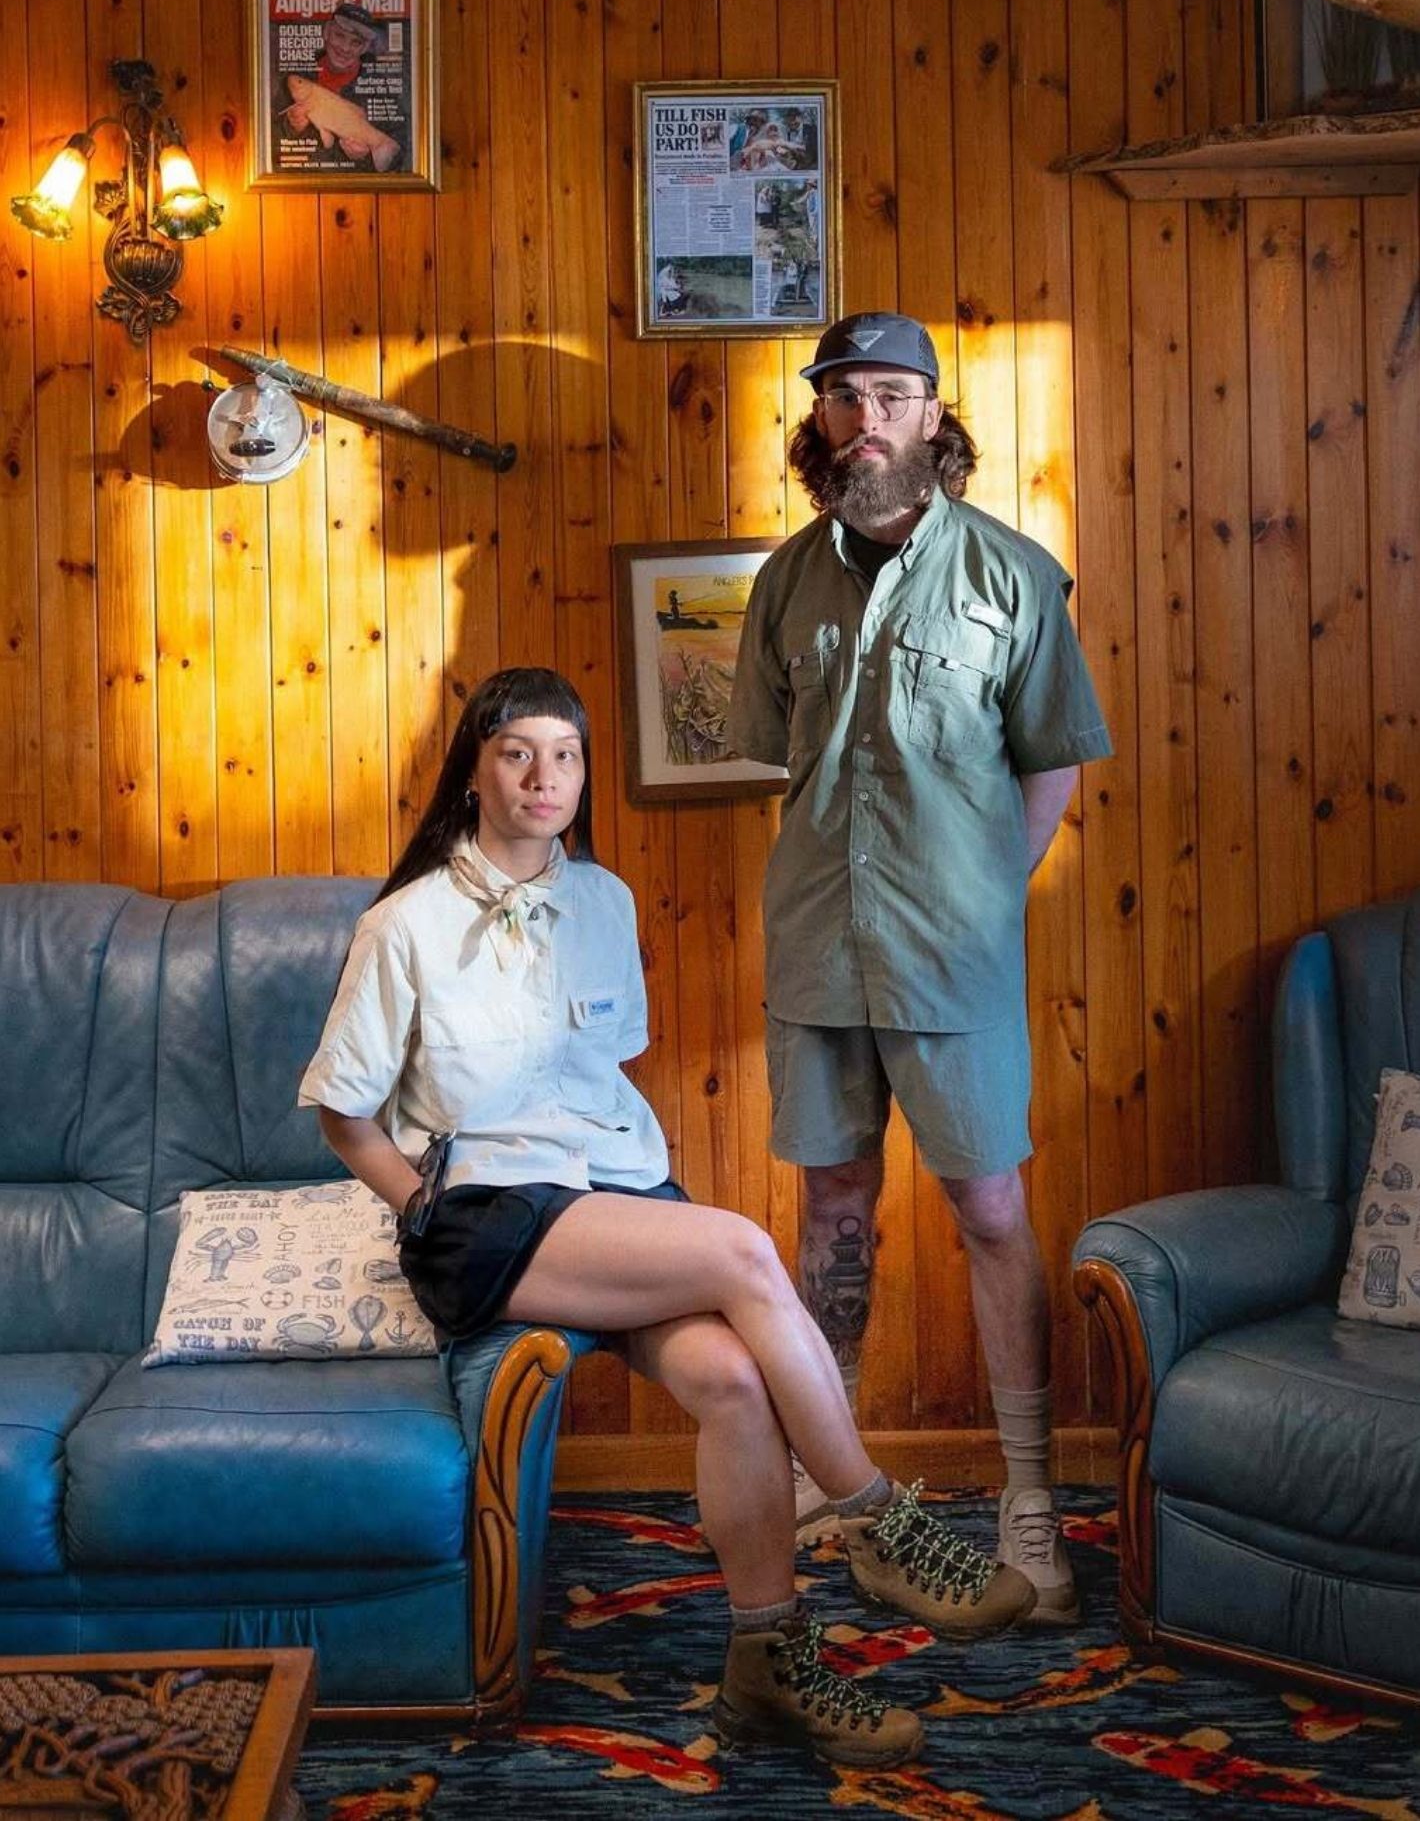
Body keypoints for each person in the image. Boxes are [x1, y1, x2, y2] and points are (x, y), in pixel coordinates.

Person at [298, 666, 1035, 1768]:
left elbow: (600, 1072)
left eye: (566, 755)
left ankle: (763, 1665)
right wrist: (421, 1209)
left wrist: (630, 1204)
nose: (544, 777)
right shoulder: (403, 925)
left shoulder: (604, 899)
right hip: (490, 1214)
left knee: (735, 1385)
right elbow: (343, 1116)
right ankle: (877, 1517)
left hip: (618, 1194)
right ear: (472, 772)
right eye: (516, 752)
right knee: (743, 1247)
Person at [726, 313, 1112, 1627]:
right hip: (820, 946)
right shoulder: (782, 584)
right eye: (845, 398)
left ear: (936, 420)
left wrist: (989, 891)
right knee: (832, 1218)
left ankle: (1028, 1500)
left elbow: (1050, 752)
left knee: (992, 1209)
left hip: (955, 962)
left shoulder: (1015, 577)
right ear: (820, 424)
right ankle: (834, 1486)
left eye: (893, 396)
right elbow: (776, 750)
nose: (868, 419)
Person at [318, 1, 382, 96]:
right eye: (339, 36)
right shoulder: (298, 74)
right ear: (327, 31)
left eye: (356, 42)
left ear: (365, 47)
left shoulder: (379, 87)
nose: (345, 48)